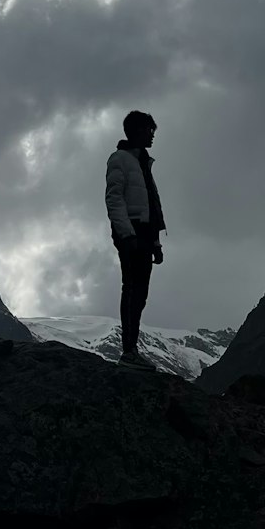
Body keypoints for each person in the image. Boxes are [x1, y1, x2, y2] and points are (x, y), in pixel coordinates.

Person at [105, 109, 166, 366]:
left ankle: (132, 351)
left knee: (140, 291)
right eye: (149, 129)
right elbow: (114, 198)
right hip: (131, 231)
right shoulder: (120, 159)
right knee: (132, 288)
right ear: (137, 131)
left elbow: (150, 203)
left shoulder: (142, 161)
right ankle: (129, 351)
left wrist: (155, 242)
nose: (152, 135)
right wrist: (126, 233)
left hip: (144, 232)